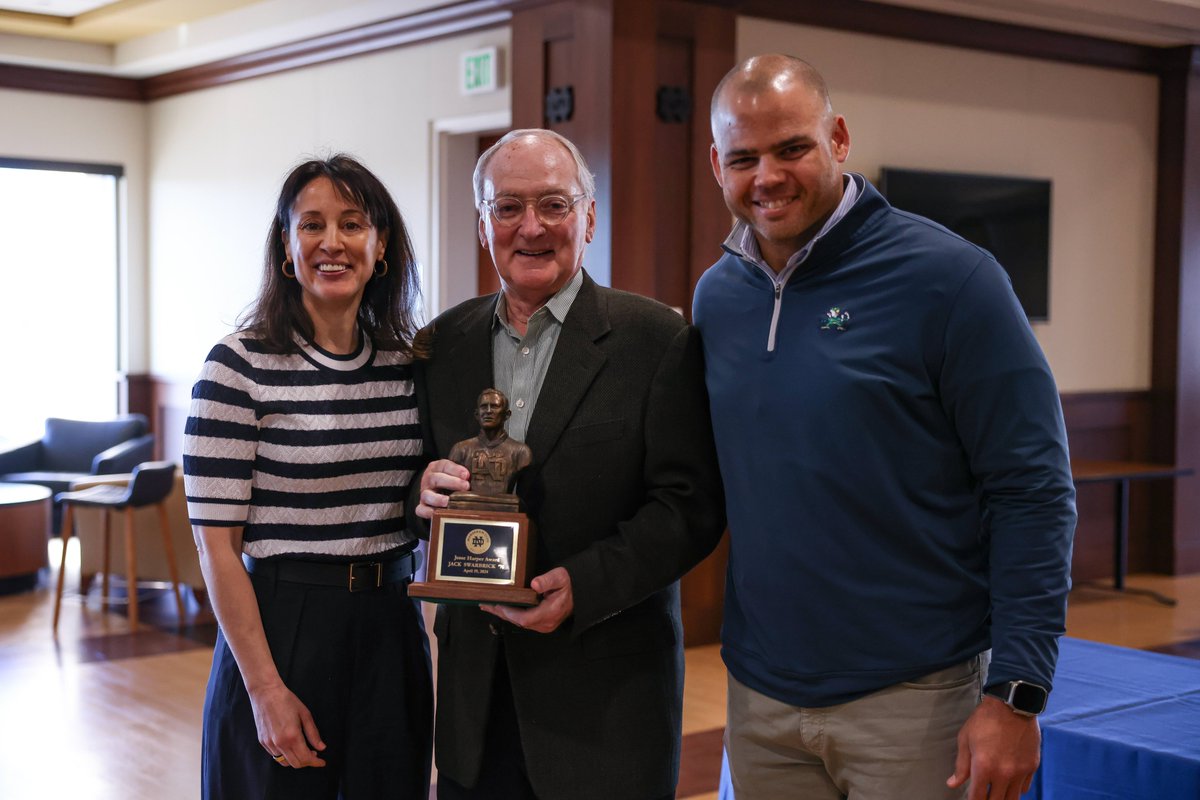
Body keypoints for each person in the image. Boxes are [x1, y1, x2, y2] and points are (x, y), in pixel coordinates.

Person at [694, 54, 1077, 800]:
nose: (767, 176)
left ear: (837, 137)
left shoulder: (954, 281)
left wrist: (1018, 691)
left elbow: (1031, 488)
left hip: (917, 698)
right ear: (717, 164)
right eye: (744, 158)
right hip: (759, 696)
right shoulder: (719, 297)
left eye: (791, 148)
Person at [412, 128, 725, 800]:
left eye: (554, 204)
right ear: (481, 223)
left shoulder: (657, 340)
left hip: (606, 708)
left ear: (588, 216)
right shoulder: (441, 347)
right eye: (508, 207)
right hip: (474, 702)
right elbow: (416, 492)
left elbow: (689, 506)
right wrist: (423, 493)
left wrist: (584, 586)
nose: (531, 227)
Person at [183, 154, 433, 799]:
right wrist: (265, 690)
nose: (332, 242)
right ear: (288, 251)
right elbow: (216, 548)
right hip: (283, 628)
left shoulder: (408, 367)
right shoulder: (237, 366)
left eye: (353, 224)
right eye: (312, 225)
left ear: (380, 248)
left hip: (392, 627)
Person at [447, 388, 532, 501]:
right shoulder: (460, 450)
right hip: (467, 512)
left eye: (494, 406)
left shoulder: (521, 452)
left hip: (505, 512)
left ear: (507, 415)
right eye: (484, 406)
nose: (488, 411)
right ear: (477, 414)